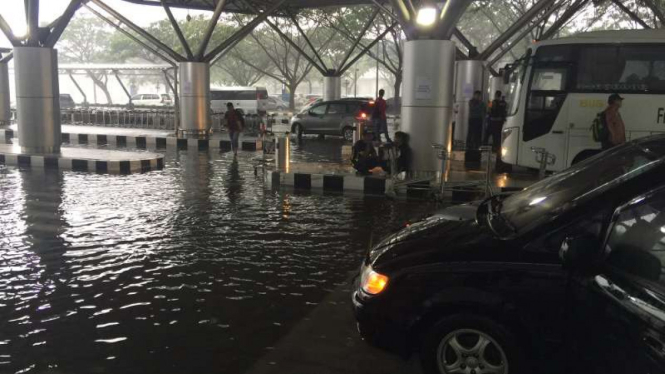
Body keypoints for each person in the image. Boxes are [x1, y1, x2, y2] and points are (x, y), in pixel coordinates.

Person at [485, 90, 509, 171]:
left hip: (492, 122)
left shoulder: (492, 102)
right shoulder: (504, 103)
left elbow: (488, 110)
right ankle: (498, 151)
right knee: (498, 138)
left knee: (487, 135)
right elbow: (505, 112)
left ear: (496, 95)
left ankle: (487, 149)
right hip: (500, 123)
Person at [466, 90, 486, 164]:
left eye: (479, 95)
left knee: (478, 134)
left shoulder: (482, 103)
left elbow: (484, 110)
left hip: (479, 120)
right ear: (474, 95)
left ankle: (478, 146)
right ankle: (469, 146)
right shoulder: (471, 102)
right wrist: (480, 105)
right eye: (477, 95)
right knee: (471, 133)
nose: (478, 97)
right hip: (472, 119)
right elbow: (474, 108)